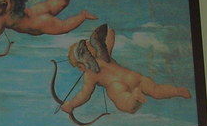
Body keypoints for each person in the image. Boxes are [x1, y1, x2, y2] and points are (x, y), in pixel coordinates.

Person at [60, 24, 190, 115]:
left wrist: (70, 105)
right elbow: (110, 42)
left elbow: (84, 95)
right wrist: (110, 32)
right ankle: (177, 91)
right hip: (133, 77)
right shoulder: (105, 56)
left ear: (81, 67)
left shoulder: (90, 75)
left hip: (116, 86)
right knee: (156, 89)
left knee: (124, 101)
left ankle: (134, 97)